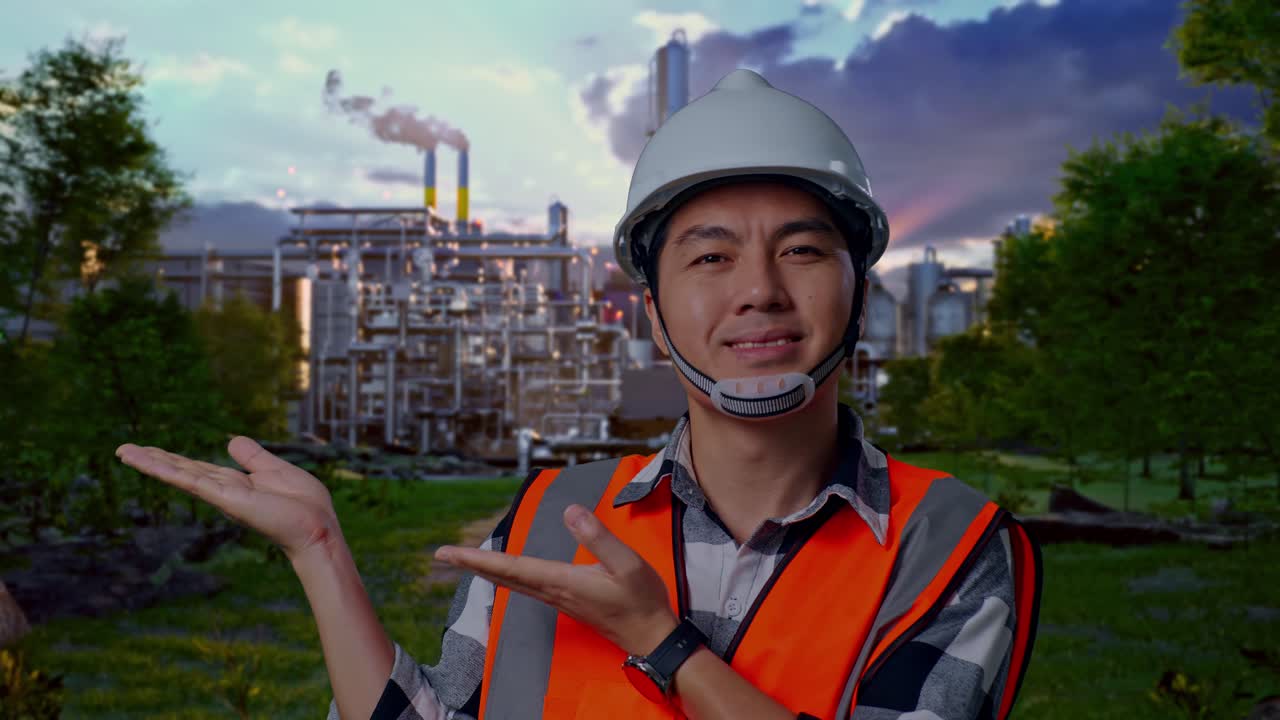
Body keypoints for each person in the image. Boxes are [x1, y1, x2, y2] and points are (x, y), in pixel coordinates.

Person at [116, 69, 1041, 720]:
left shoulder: (949, 546)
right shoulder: (551, 517)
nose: (759, 289)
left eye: (801, 250)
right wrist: (320, 551)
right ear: (653, 316)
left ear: (862, 295)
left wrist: (660, 641)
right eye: (711, 258)